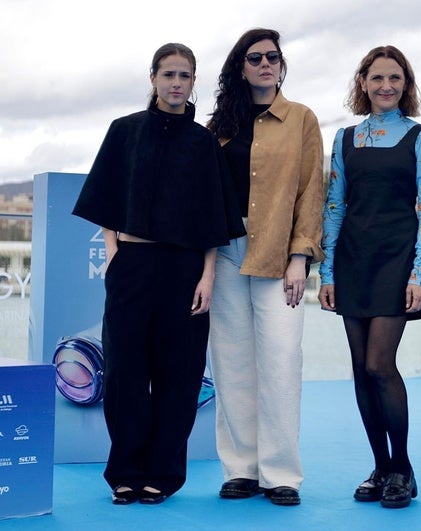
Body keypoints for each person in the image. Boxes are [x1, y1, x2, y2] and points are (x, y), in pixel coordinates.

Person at [72, 43, 245, 505]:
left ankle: (163, 475)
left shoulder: (203, 143)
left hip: (185, 269)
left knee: (180, 374)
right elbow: (104, 198)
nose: (175, 82)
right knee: (125, 370)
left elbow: (213, 218)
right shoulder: (124, 131)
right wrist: (113, 252)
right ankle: (125, 472)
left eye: (184, 76)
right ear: (152, 77)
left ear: (193, 83)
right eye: (168, 73)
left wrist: (207, 276)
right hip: (132, 265)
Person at [318, 45, 421, 509]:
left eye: (395, 78)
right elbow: (334, 207)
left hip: (398, 259)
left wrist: (420, 273)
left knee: (378, 365)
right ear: (363, 83)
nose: (386, 86)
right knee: (359, 371)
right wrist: (325, 272)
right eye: (377, 78)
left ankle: (403, 468)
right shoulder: (345, 138)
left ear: (406, 85)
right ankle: (380, 466)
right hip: (352, 259)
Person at [206, 28, 324, 506]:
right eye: (255, 58)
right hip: (226, 248)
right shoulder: (220, 124)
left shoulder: (302, 119)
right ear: (241, 66)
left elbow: (312, 190)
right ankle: (241, 469)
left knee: (279, 361)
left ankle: (281, 474)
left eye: (273, 57)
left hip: (280, 253)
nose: (265, 64)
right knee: (232, 363)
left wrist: (301, 257)